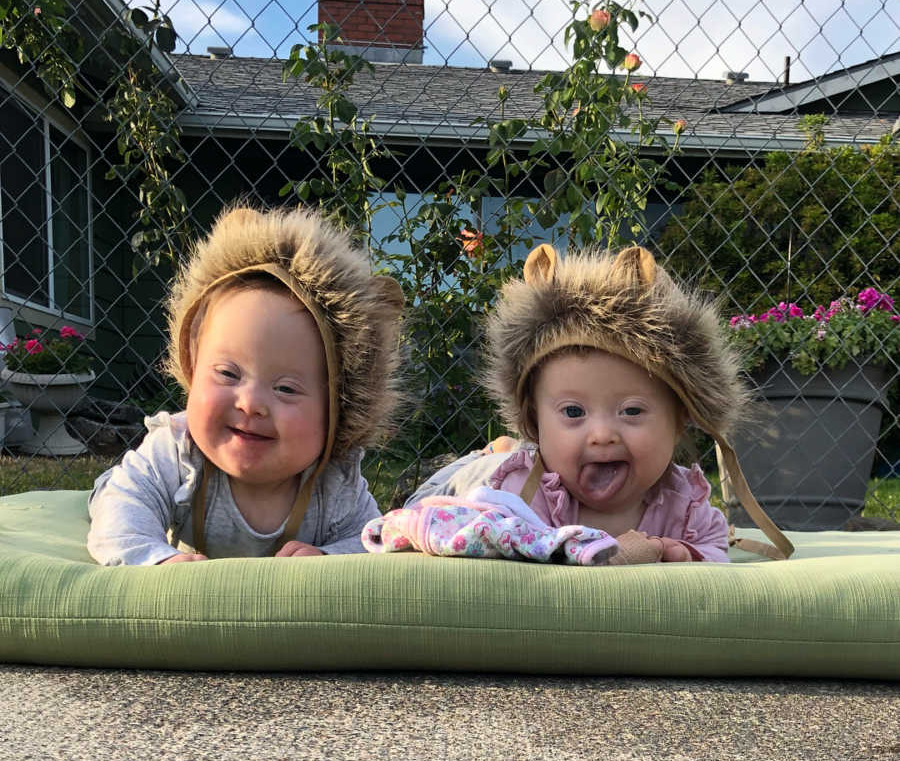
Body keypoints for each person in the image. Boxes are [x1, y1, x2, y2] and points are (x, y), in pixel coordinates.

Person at [406, 243, 792, 562]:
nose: (603, 434)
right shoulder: (519, 495)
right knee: (439, 496)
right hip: (470, 482)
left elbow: (714, 552)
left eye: (632, 411)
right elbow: (490, 550)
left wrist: (686, 555)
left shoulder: (685, 504)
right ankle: (497, 450)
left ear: (680, 418)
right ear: (534, 421)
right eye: (574, 412)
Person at [88, 206, 404, 565]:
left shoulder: (334, 484)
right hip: (187, 575)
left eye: (286, 388)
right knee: (112, 492)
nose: (251, 403)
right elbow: (123, 513)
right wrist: (158, 559)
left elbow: (374, 544)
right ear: (193, 365)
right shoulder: (179, 453)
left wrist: (327, 558)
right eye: (227, 373)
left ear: (338, 413)